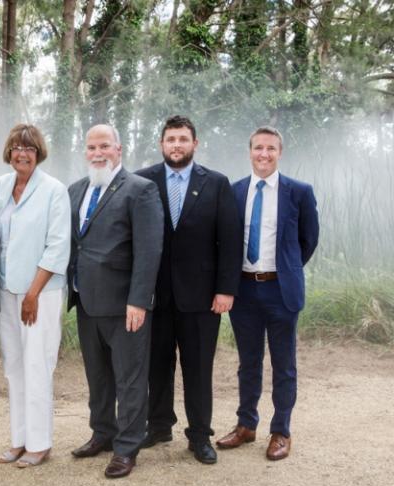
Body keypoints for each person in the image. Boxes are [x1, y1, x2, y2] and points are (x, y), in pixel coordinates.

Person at [136, 116, 242, 464]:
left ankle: (199, 435)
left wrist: (226, 289)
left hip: (202, 298)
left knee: (198, 369)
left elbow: (229, 241)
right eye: (170, 139)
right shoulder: (144, 181)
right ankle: (159, 425)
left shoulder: (216, 183)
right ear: (161, 144)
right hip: (156, 295)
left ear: (195, 143)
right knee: (157, 365)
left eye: (183, 139)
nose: (176, 145)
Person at [215, 126, 319, 461]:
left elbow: (308, 241)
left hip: (281, 291)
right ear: (250, 151)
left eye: (271, 148)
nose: (264, 154)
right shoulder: (234, 192)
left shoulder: (299, 192)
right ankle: (246, 425)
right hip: (243, 290)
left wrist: (284, 270)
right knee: (248, 362)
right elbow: (226, 242)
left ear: (279, 152)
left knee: (284, 364)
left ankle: (281, 430)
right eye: (258, 147)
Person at [68, 124, 164, 478]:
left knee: (130, 378)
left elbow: (150, 249)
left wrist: (139, 300)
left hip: (126, 306)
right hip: (86, 301)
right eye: (92, 146)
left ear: (118, 150)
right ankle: (102, 432)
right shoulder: (76, 190)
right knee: (98, 376)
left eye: (104, 146)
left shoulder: (140, 190)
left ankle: (126, 447)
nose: (98, 152)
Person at [0, 124, 70, 467]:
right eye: (17, 147)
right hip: (6, 292)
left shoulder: (54, 191)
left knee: (37, 366)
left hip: (40, 294)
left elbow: (57, 246)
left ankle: (40, 443)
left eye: (30, 148)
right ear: (9, 151)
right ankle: (19, 439)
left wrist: (32, 294)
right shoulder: (0, 187)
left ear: (38, 153)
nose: (22, 153)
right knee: (14, 368)